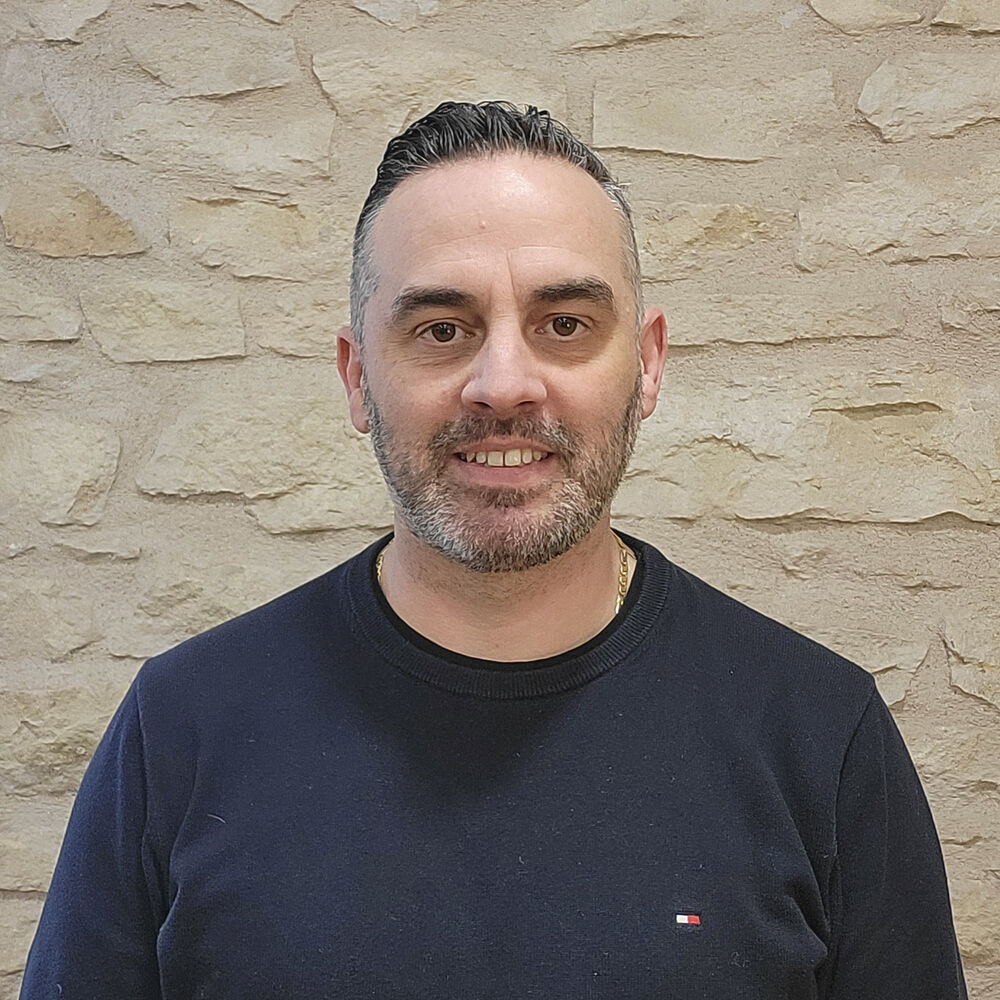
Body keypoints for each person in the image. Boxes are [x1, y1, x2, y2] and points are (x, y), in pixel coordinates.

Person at [20, 101, 967, 1000]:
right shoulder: (181, 730)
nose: (504, 384)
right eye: (442, 329)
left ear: (647, 365)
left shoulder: (819, 736)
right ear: (357, 377)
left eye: (565, 326)